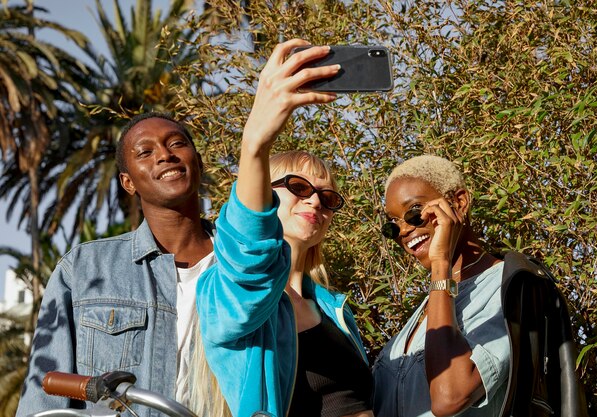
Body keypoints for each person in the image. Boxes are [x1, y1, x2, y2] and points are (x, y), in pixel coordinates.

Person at [196, 39, 374, 417]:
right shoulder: (231, 294)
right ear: (265, 193)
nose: (315, 202)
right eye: (298, 188)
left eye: (328, 198)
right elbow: (250, 256)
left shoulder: (333, 307)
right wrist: (255, 144)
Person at [16, 112, 216, 416]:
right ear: (128, 182)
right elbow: (45, 396)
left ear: (198, 163)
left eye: (177, 143)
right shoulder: (84, 269)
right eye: (145, 152)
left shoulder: (243, 263)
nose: (165, 155)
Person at [372, 155, 510, 417]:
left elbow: (449, 396)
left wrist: (440, 263)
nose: (403, 231)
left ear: (459, 202)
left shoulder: (509, 287)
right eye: (393, 224)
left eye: (414, 214)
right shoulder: (432, 304)